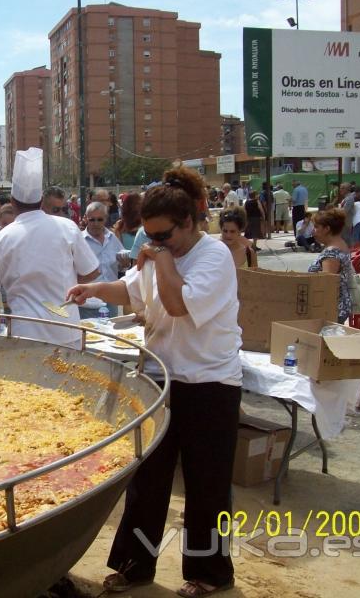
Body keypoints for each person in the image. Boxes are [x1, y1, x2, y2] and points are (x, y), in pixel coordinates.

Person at [67, 166, 241, 598]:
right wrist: (93, 291)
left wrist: (161, 258)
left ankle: (210, 572)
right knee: (147, 480)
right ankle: (133, 564)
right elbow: (131, 291)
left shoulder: (214, 257)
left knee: (207, 484)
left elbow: (179, 303)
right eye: (151, 235)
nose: (156, 242)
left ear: (188, 223)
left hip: (209, 383)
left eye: (165, 235)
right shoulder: (160, 253)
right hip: (163, 379)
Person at [0, 147, 99, 348]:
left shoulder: (1, 239)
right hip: (67, 332)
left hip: (26, 337)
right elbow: (92, 272)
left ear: (12, 202)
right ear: (40, 201)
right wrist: (67, 281)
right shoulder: (67, 227)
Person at [308, 209, 352, 324]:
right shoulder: (341, 245)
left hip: (330, 311)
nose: (314, 231)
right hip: (338, 307)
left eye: (317, 227)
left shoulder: (331, 253)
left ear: (327, 229)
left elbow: (327, 283)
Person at [81, 202, 126, 317]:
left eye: (99, 219)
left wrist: (124, 264)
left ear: (105, 219)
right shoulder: (79, 240)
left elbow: (121, 264)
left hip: (110, 298)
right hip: (87, 301)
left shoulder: (112, 238)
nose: (96, 223)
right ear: (86, 218)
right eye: (92, 219)